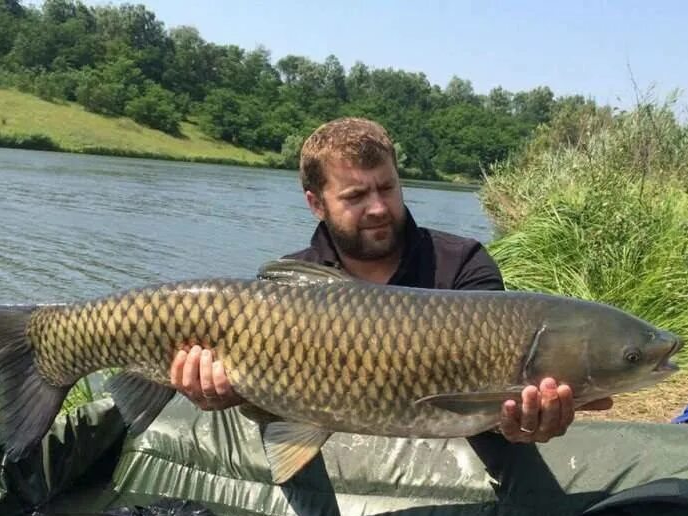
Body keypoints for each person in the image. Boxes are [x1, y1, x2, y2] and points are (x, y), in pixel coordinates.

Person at [168, 117, 612, 444]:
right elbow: (271, 405)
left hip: (453, 460)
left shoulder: (463, 263)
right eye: (356, 196)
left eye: (387, 188)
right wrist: (224, 395)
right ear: (315, 203)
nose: (379, 207)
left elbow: (494, 404)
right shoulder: (283, 290)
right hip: (325, 448)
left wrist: (522, 424)